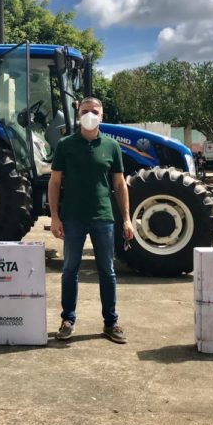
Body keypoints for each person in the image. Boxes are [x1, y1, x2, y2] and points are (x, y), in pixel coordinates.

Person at [49, 97, 134, 344]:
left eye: (94, 111)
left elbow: (119, 184)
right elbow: (55, 182)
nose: (89, 115)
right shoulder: (65, 145)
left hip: (103, 217)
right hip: (73, 218)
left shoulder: (111, 146)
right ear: (78, 114)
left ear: (102, 115)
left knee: (107, 271)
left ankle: (110, 322)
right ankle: (67, 320)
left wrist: (127, 219)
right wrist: (55, 217)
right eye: (85, 111)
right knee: (69, 270)